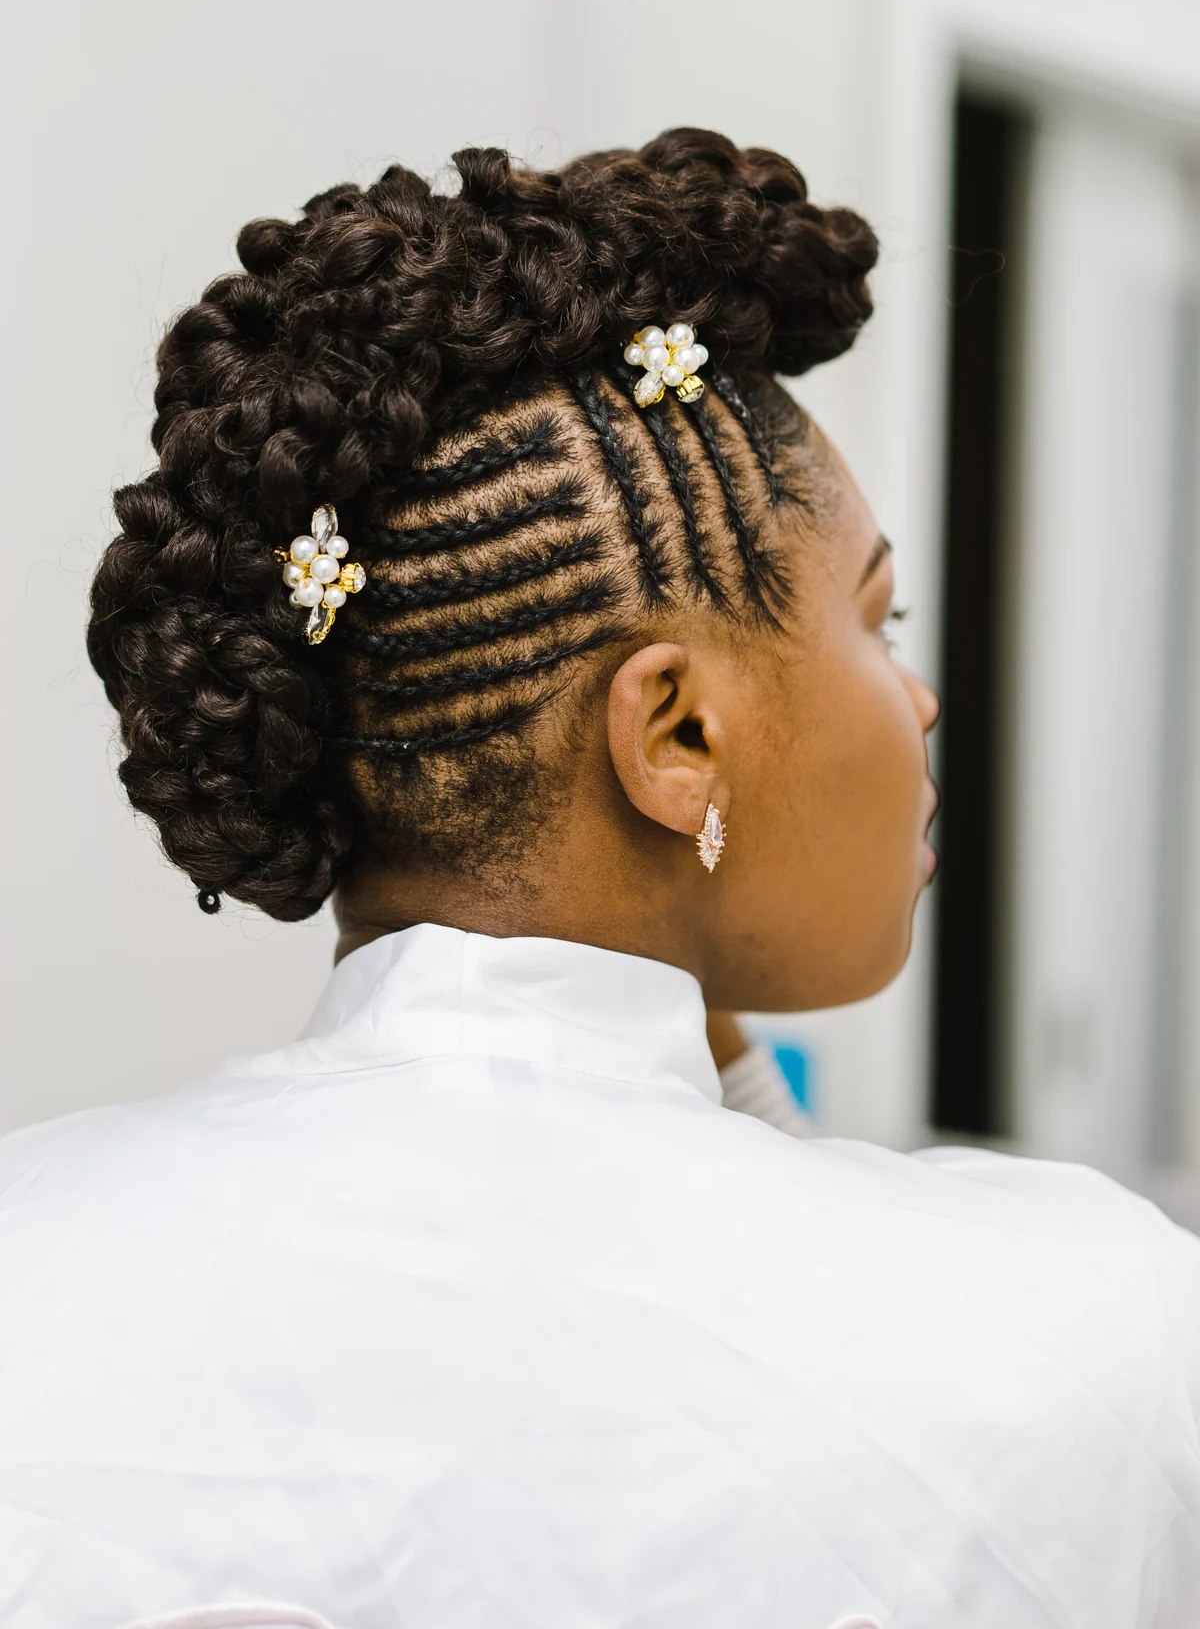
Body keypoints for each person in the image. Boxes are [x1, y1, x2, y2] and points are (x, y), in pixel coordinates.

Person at [1, 129, 1196, 1629]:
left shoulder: (31, 1246)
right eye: (878, 623)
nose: (920, 700)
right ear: (677, 734)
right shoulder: (1098, 1330)